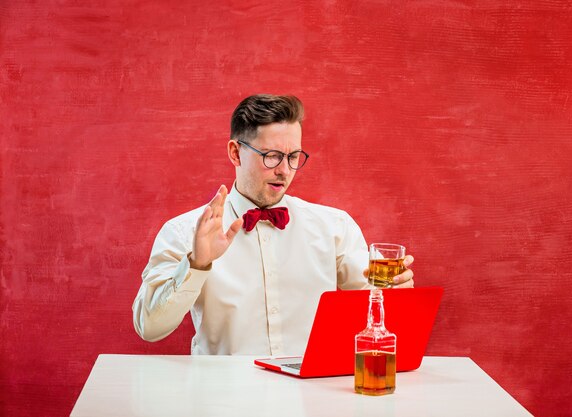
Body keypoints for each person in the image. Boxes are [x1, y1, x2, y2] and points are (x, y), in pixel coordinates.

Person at [132, 94, 414, 355]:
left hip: (313, 399)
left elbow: (374, 315)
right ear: (235, 152)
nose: (285, 170)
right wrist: (196, 264)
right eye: (272, 156)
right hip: (223, 400)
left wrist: (395, 295)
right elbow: (150, 328)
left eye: (293, 157)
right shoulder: (184, 232)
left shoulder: (335, 228)